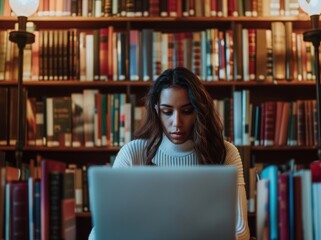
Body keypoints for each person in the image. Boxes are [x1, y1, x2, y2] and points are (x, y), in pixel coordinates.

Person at [89, 67, 250, 239]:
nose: (176, 123)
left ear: (199, 111)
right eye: (167, 112)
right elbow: (100, 231)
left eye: (187, 111)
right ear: (157, 110)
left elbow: (241, 230)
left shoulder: (226, 153)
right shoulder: (132, 153)